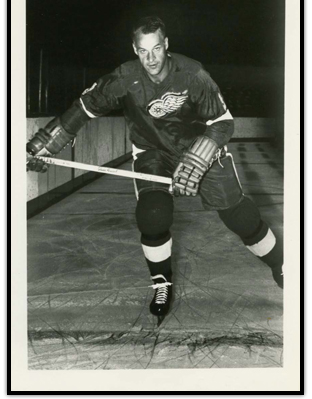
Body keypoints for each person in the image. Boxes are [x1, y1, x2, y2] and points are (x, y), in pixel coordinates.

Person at [27, 16, 283, 326]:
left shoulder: (192, 74)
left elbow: (223, 122)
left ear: (167, 46)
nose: (151, 59)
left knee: (240, 217)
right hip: (152, 153)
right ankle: (162, 284)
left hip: (198, 146)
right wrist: (47, 145)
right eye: (143, 50)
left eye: (157, 49)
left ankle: (281, 264)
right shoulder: (123, 77)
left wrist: (199, 156)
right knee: (152, 215)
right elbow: (84, 108)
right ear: (134, 49)